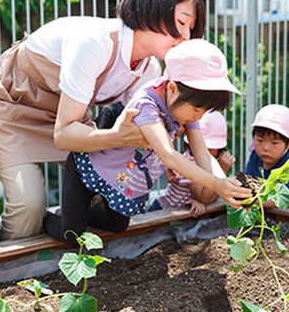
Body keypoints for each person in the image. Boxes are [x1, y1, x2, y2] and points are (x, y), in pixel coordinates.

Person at [0, 0, 206, 240]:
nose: (186, 36)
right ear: (150, 10)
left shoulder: (149, 69)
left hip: (69, 119)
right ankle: (6, 276)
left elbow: (137, 123)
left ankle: (66, 240)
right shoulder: (95, 42)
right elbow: (64, 136)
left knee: (102, 189)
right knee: (29, 204)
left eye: (191, 28)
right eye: (181, 22)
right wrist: (117, 137)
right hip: (13, 110)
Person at [43, 39, 252, 245]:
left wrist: (226, 184)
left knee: (118, 226)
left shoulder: (186, 107)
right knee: (71, 234)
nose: (199, 117)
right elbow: (169, 156)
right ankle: (45, 219)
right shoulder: (146, 105)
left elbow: (202, 153)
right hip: (88, 169)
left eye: (204, 112)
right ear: (172, 89)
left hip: (120, 181)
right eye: (198, 110)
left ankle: (80, 214)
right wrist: (216, 184)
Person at [148, 111, 235, 217]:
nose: (208, 150)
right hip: (164, 210)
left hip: (181, 212)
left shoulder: (213, 161)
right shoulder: (189, 163)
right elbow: (204, 197)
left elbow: (214, 194)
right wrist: (222, 169)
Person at [244, 104, 289, 208]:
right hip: (265, 214)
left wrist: (253, 202)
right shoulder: (255, 156)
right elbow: (247, 184)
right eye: (260, 141)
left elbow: (287, 199)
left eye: (274, 143)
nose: (266, 148)